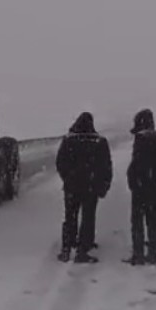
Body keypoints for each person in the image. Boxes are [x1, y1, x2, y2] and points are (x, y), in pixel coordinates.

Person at [55, 111, 112, 263]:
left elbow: (60, 162)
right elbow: (106, 165)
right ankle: (83, 249)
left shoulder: (69, 140)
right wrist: (104, 184)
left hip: (72, 186)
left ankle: (67, 248)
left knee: (70, 216)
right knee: (88, 217)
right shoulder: (99, 141)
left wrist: (67, 177)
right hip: (90, 187)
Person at [125, 108, 156, 265]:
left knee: (137, 221)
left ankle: (138, 254)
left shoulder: (141, 138)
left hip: (141, 187)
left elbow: (137, 164)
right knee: (153, 220)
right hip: (155, 187)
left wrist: (133, 181)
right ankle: (153, 253)